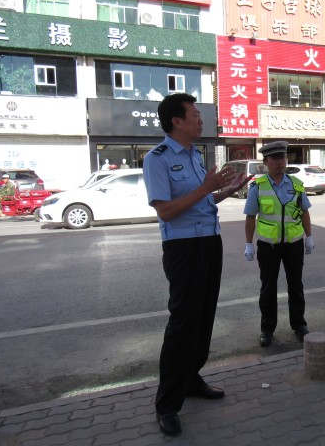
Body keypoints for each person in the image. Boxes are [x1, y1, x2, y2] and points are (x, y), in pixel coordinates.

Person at [143, 93, 251, 437]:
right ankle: (167, 404)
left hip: (209, 241)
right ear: (177, 121)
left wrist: (226, 190)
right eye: (195, 114)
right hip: (183, 247)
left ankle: (191, 378)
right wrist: (206, 186)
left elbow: (202, 199)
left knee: (205, 316)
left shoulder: (195, 156)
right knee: (183, 322)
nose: (201, 119)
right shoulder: (157, 159)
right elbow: (166, 210)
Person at [243, 141, 313, 347]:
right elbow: (250, 216)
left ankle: (299, 325)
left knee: (296, 285)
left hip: (293, 243)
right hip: (268, 246)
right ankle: (267, 329)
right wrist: (249, 243)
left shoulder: (296, 184)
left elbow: (305, 212)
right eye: (274, 159)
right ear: (266, 162)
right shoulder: (258, 186)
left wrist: (309, 237)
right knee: (268, 288)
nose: (279, 162)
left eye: (282, 157)